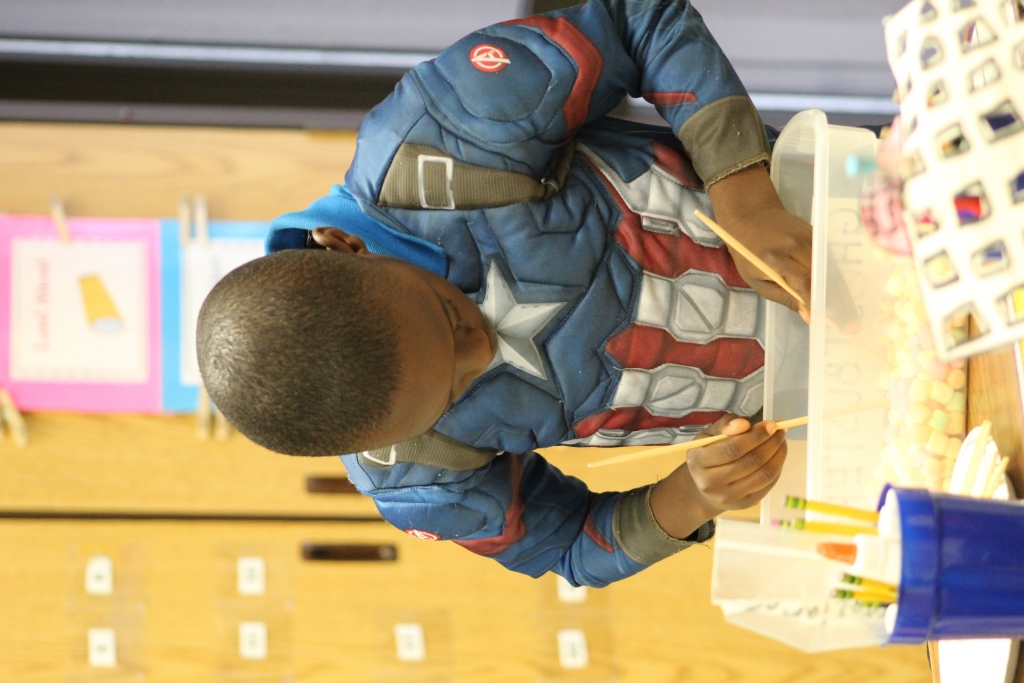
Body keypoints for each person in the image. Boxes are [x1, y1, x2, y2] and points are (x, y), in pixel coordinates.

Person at [197, 0, 813, 587]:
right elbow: (568, 546)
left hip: (829, 210)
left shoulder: (436, 140)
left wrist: (744, 197)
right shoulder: (413, 475)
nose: (482, 350)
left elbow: (638, 22)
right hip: (836, 401)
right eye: (454, 391)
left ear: (345, 246)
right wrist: (694, 495)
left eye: (449, 318)